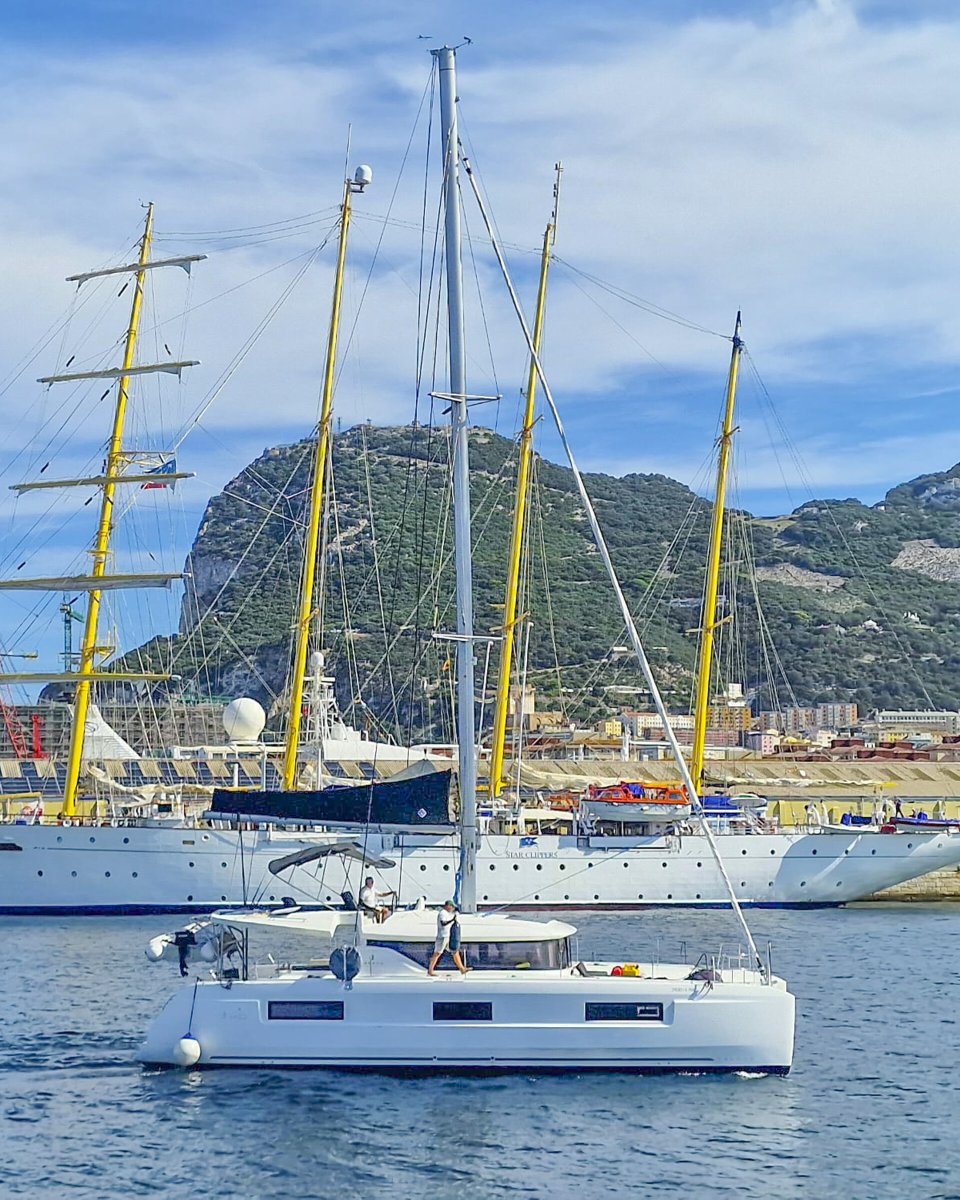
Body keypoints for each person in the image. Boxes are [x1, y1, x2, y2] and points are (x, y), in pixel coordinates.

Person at [428, 900, 469, 976]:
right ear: (448, 906)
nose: (452, 909)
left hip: (448, 936)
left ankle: (462, 969)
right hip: (442, 937)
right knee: (437, 953)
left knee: (455, 952)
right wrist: (452, 920)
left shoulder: (447, 913)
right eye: (452, 907)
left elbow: (455, 914)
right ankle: (430, 971)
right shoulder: (442, 913)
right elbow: (443, 923)